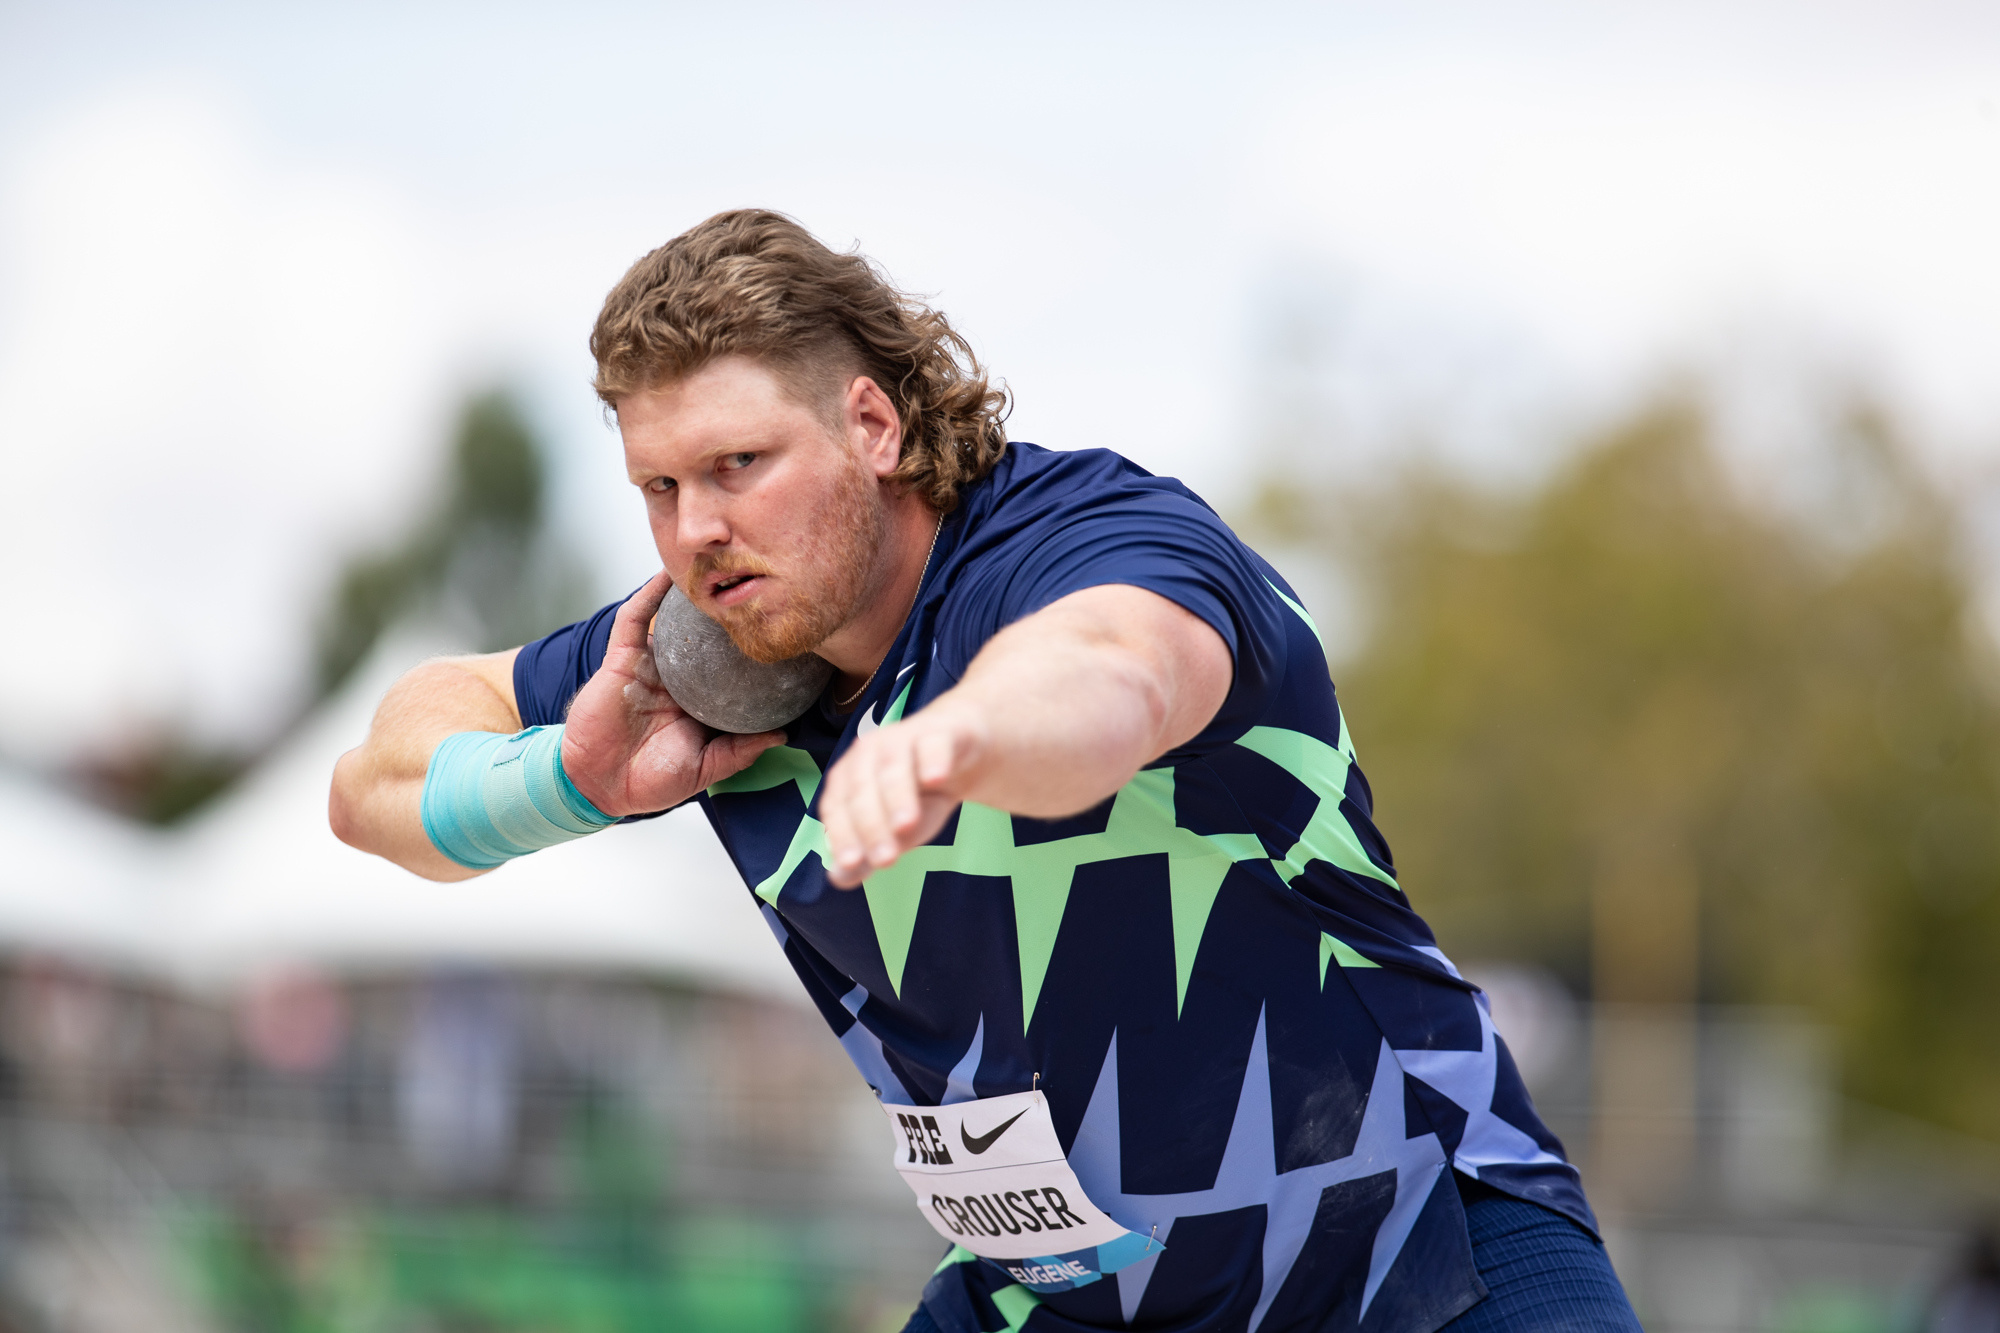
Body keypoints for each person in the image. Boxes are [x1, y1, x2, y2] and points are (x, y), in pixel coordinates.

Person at [329, 210, 1641, 1333]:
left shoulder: (1080, 540)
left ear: (872, 424)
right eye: (659, 486)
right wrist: (563, 779)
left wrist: (955, 738)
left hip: (1415, 1248)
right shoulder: (700, 656)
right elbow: (373, 780)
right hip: (1059, 1293)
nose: (697, 532)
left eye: (738, 464)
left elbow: (1121, 672)